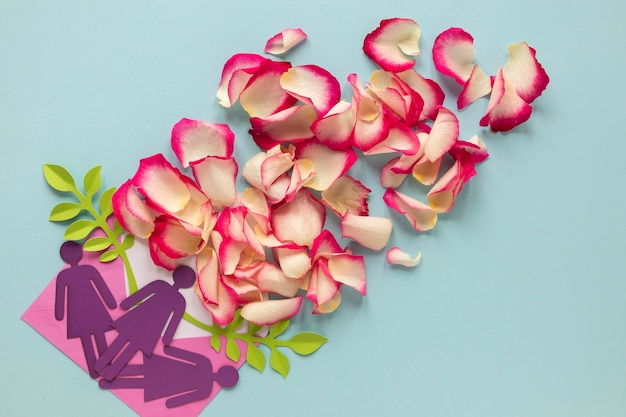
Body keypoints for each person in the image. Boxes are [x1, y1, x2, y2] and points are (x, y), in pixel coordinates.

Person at [94, 265, 195, 381]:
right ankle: (110, 371)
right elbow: (174, 321)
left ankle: (102, 365)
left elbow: (142, 294)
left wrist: (127, 303)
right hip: (151, 326)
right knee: (131, 347)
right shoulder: (179, 300)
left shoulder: (162, 285)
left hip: (141, 318)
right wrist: (167, 338)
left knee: (122, 339)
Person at [99, 345, 239, 408]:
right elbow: (185, 397)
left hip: (168, 369)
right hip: (169, 384)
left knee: (139, 371)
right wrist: (171, 402)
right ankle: (108, 381)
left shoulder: (206, 364)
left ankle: (107, 373)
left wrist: (169, 351)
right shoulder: (207, 388)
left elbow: (186, 356)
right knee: (139, 382)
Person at [54, 241, 117, 378]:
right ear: (80, 253)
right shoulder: (88, 269)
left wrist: (60, 314)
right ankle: (107, 368)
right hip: (94, 309)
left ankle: (95, 371)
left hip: (77, 312)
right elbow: (102, 288)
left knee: (86, 339)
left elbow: (60, 297)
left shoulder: (64, 275)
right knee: (99, 336)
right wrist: (111, 303)